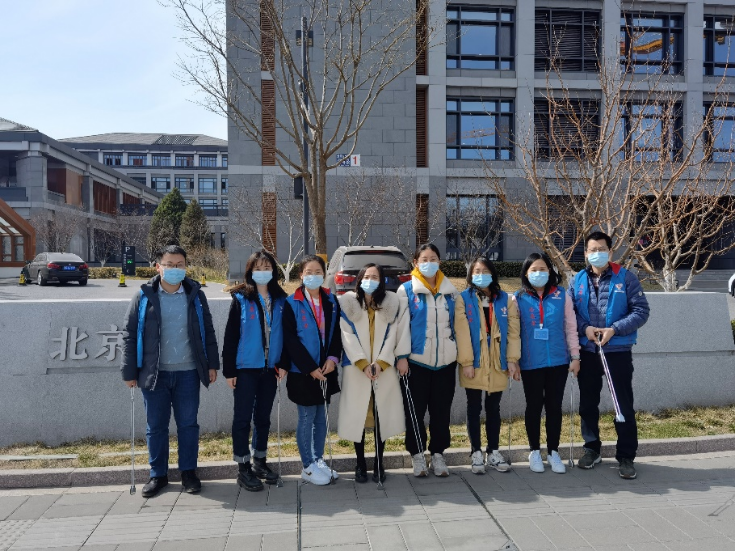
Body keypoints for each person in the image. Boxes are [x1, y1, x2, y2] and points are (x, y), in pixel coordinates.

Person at [121, 245, 219, 498]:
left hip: (188, 372)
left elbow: (208, 331)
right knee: (156, 426)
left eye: (180, 265)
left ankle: (188, 472)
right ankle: (158, 474)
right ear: (158, 267)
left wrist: (212, 364)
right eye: (169, 265)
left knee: (188, 424)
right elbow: (130, 334)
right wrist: (129, 372)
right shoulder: (144, 296)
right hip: (155, 374)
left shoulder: (195, 295)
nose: (175, 269)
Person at [569, 231, 650, 479]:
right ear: (586, 253)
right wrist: (585, 328)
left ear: (610, 251)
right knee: (587, 403)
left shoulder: (625, 277)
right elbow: (570, 313)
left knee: (621, 403)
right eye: (592, 250)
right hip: (588, 351)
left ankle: (626, 456)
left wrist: (614, 329)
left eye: (601, 249)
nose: (597, 253)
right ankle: (591, 448)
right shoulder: (577, 280)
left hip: (617, 351)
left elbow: (641, 311)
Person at [337, 263, 410, 483]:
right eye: (366, 276)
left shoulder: (391, 304)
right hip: (356, 368)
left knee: (381, 415)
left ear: (382, 281)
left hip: (382, 369)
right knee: (357, 416)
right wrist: (362, 363)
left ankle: (379, 462)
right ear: (359, 279)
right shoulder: (348, 303)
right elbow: (346, 335)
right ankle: (360, 463)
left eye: (375, 277)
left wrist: (381, 362)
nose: (370, 280)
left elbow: (393, 335)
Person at [221, 250, 286, 492]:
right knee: (242, 419)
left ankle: (260, 461)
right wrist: (229, 371)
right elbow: (230, 337)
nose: (263, 272)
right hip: (246, 368)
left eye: (267, 267)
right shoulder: (241, 298)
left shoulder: (281, 299)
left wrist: (284, 364)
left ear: (273, 271)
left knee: (263, 418)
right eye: (258, 268)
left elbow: (288, 336)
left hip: (271, 368)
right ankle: (243, 467)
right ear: (250, 271)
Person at [511, 252, 580, 475]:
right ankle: (534, 451)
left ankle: (553, 451)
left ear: (550, 271)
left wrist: (575, 356)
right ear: (526, 273)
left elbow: (571, 327)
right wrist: (513, 360)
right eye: (534, 270)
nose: (538, 273)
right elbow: (513, 333)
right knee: (533, 407)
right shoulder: (518, 298)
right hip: (531, 363)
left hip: (558, 361)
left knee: (554, 407)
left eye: (542, 269)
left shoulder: (562, 295)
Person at [396, 243, 459, 477]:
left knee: (441, 411)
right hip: (416, 363)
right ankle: (417, 454)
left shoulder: (450, 290)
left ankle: (438, 454)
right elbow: (401, 327)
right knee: (415, 410)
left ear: (439, 262)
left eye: (433, 259)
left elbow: (456, 325)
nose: (429, 263)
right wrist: (402, 357)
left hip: (445, 363)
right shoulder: (406, 290)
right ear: (415, 262)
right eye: (424, 259)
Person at [281, 255, 343, 486]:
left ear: (324, 275)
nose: (314, 276)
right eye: (309, 272)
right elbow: (290, 340)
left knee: (321, 418)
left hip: (326, 369)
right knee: (306, 418)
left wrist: (333, 359)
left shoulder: (331, 300)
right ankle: (307, 466)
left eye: (318, 272)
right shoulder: (292, 302)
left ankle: (318, 460)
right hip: (303, 372)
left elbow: (337, 333)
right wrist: (309, 368)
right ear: (301, 275)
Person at [454, 257, 520, 474]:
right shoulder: (464, 299)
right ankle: (476, 452)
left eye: (485, 271)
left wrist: (512, 360)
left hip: (497, 361)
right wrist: (467, 362)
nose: (481, 275)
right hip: (474, 362)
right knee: (473, 407)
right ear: (470, 275)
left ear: (492, 274)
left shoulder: (505, 299)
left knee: (494, 408)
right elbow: (462, 332)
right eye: (476, 272)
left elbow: (513, 332)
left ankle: (493, 451)